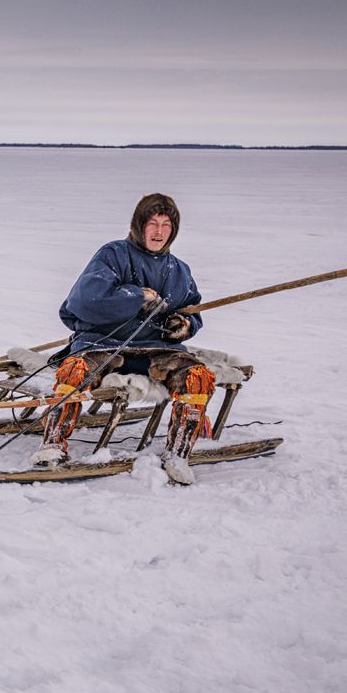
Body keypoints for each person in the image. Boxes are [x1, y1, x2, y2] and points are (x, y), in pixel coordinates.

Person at [33, 193, 217, 484]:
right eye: (152, 223)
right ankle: (52, 444)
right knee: (73, 370)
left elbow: (192, 311)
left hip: (158, 349)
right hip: (104, 343)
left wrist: (184, 325)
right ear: (139, 225)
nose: (158, 232)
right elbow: (83, 301)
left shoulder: (180, 270)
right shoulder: (113, 254)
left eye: (166, 225)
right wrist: (135, 295)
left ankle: (178, 454)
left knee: (198, 376)